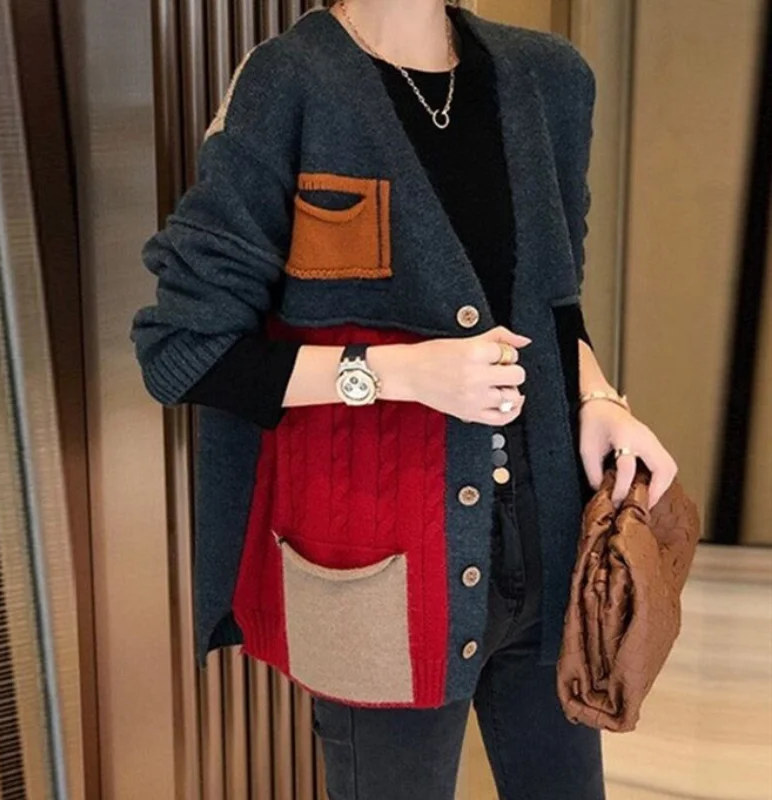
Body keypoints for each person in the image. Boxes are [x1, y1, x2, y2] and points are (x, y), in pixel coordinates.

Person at [129, 1, 678, 797]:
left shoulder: (549, 78)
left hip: (551, 549)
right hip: (376, 575)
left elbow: (552, 307)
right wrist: (401, 374)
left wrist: (599, 398)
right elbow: (184, 352)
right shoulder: (290, 85)